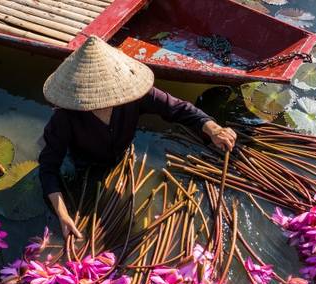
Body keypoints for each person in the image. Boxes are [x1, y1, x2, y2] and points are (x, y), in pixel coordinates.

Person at [39, 36, 236, 239]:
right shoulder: (65, 117)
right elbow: (47, 169)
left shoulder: (133, 95)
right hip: (84, 164)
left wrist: (212, 128)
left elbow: (177, 108)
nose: (104, 101)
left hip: (121, 155)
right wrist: (63, 215)